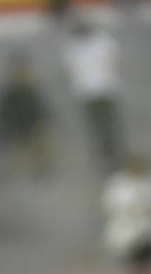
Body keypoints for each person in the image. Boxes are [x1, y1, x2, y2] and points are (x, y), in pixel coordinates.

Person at [63, 18, 125, 173]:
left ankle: (114, 155)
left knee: (109, 125)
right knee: (96, 127)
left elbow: (115, 59)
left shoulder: (102, 40)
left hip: (104, 89)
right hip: (88, 93)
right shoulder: (73, 45)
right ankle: (103, 156)